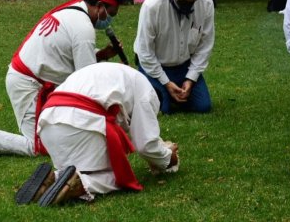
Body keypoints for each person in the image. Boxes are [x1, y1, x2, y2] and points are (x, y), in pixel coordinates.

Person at [0, 0, 124, 157]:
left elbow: (70, 55)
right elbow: (86, 78)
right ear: (99, 6)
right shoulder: (83, 28)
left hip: (31, 80)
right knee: (38, 145)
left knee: (58, 135)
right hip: (28, 85)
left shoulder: (70, 12)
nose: (109, 20)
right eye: (110, 14)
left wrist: (102, 54)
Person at [15, 63, 179, 206]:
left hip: (48, 123)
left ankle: (53, 179)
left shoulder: (116, 74)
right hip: (80, 122)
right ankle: (81, 184)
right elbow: (146, 145)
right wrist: (167, 157)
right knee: (118, 174)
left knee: (77, 167)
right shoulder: (148, 93)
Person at [134, 0, 214, 114]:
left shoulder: (206, 3)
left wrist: (191, 79)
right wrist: (166, 82)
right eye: (184, 0)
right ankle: (161, 92)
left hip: (184, 66)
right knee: (163, 109)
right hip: (155, 66)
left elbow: (205, 45)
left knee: (203, 107)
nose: (188, 6)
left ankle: (172, 92)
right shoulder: (152, 6)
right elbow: (144, 52)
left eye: (193, 1)